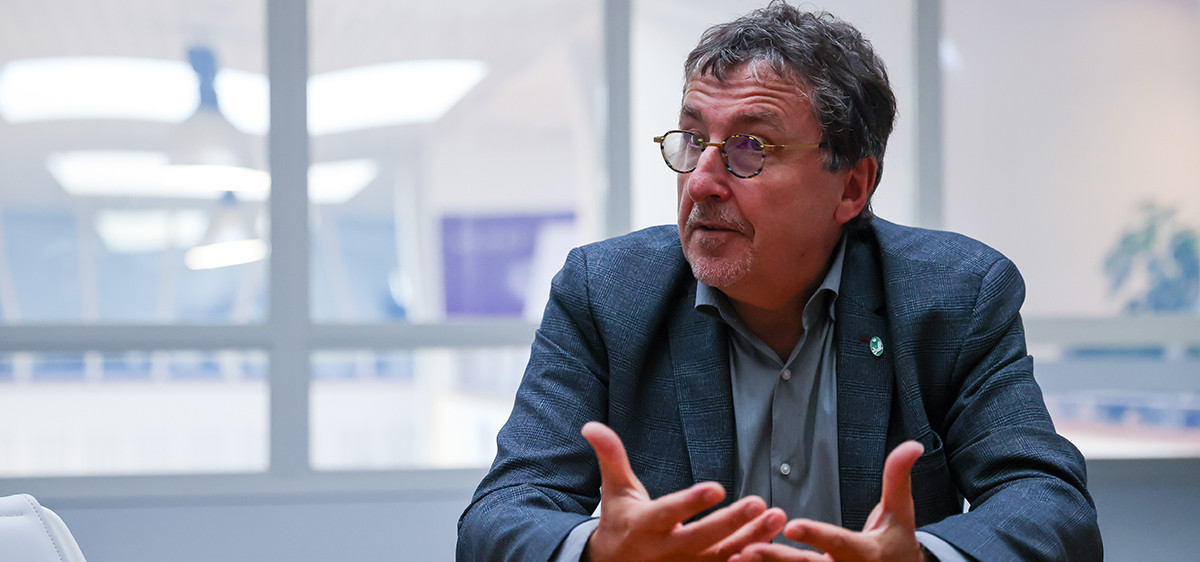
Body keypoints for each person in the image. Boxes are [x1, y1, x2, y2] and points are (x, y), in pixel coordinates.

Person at [457, 2, 1103, 561]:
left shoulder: (955, 297)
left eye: (751, 149)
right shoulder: (606, 294)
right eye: (692, 140)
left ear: (851, 187)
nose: (701, 182)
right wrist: (597, 550)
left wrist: (923, 557)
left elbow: (1050, 507)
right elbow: (498, 515)